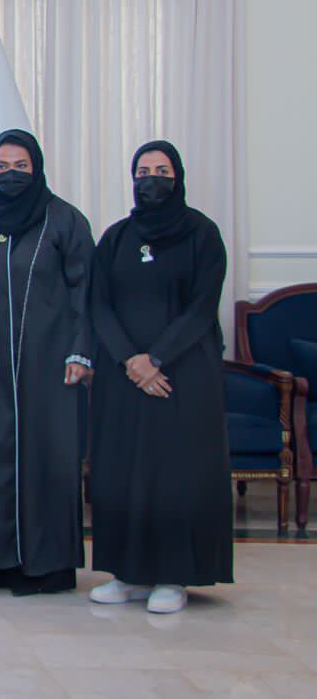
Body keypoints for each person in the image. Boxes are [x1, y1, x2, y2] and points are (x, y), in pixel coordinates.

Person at [0, 129, 94, 596]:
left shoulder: (65, 221)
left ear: (36, 168)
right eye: (2, 167)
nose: (11, 174)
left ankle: (46, 565)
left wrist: (81, 351)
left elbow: (86, 291)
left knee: (46, 460)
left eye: (20, 166)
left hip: (50, 369)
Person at [88, 140, 233, 614]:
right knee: (123, 472)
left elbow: (202, 307)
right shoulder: (116, 238)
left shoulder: (202, 234)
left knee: (175, 474)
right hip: (124, 376)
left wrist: (157, 358)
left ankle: (174, 576)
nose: (152, 179)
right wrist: (131, 359)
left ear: (178, 177)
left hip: (182, 374)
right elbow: (99, 305)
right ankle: (127, 574)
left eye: (162, 170)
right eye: (143, 171)